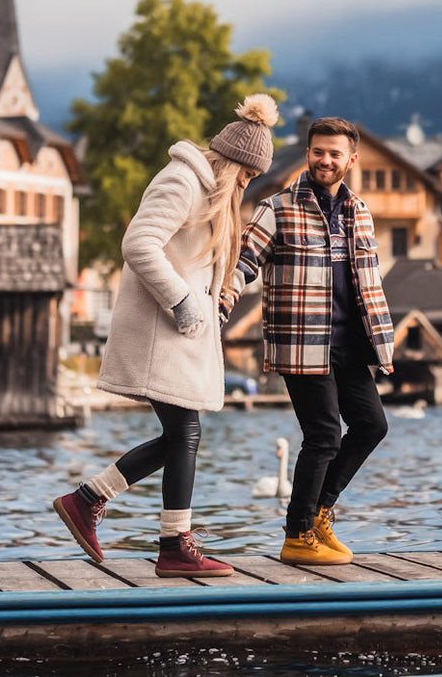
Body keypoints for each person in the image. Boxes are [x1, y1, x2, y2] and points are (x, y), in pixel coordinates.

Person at [53, 94, 278, 577]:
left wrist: (215, 294)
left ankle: (91, 500)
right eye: (247, 175)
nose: (245, 184)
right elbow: (139, 243)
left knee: (183, 434)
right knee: (185, 433)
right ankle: (171, 544)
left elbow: (188, 257)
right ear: (234, 162)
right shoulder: (183, 181)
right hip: (164, 325)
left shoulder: (207, 195)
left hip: (181, 327)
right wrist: (183, 300)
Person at [226, 116, 395, 566]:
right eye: (318, 151)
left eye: (335, 153)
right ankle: (297, 534)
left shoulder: (359, 211)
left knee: (372, 426)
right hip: (302, 341)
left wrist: (383, 344)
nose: (325, 160)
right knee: (323, 435)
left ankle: (320, 511)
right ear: (307, 154)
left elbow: (370, 281)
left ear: (350, 160)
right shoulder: (275, 208)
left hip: (352, 344)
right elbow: (243, 264)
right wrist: (220, 304)